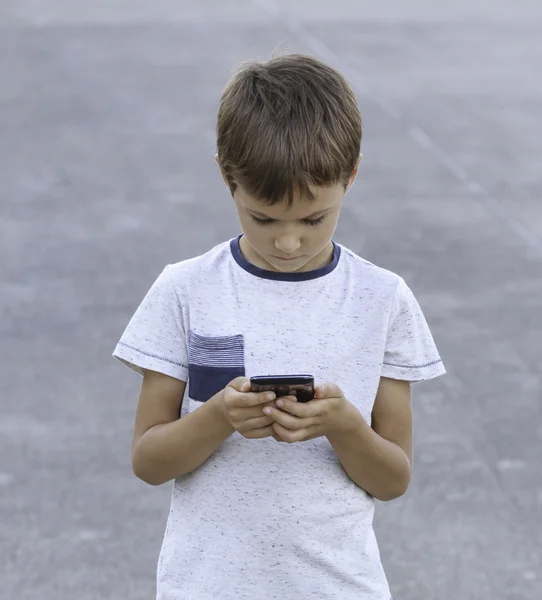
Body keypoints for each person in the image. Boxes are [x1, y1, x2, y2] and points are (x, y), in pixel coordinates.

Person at [113, 53, 445, 600]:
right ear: (226, 175)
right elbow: (148, 462)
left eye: (314, 219)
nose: (288, 242)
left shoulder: (382, 299)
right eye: (263, 219)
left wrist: (344, 426)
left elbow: (393, 479)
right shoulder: (186, 289)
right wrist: (218, 416)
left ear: (352, 175)